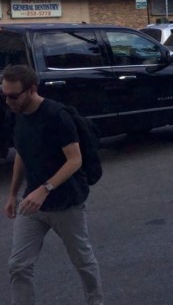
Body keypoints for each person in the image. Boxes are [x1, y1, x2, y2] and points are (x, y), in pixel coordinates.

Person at [2, 64, 104, 305]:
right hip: (32, 206)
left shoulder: (57, 116)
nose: (8, 101)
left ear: (32, 90)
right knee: (18, 265)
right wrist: (13, 193)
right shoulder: (17, 114)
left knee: (82, 260)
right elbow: (21, 153)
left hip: (66, 202)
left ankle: (95, 302)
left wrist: (44, 189)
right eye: (4, 95)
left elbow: (75, 160)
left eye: (13, 96)